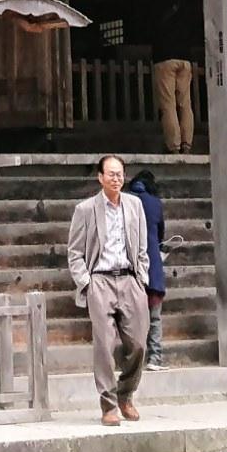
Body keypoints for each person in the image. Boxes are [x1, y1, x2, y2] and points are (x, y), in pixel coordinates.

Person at [66, 154, 151, 424]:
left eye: (120, 174)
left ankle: (126, 394)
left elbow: (142, 247)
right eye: (111, 174)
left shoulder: (135, 205)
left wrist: (142, 278)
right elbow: (75, 252)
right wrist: (86, 282)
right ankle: (108, 405)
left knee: (138, 341)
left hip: (129, 278)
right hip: (100, 280)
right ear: (100, 177)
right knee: (103, 344)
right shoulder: (86, 209)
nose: (116, 178)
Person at [125, 167, 170, 371]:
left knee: (131, 317)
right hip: (152, 265)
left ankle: (131, 359)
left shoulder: (124, 200)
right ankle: (155, 357)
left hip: (128, 266)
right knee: (154, 316)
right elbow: (160, 234)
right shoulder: (154, 203)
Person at [151, 49, 196, 154]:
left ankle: (174, 145)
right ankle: (186, 144)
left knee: (168, 104)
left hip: (165, 59)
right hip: (185, 60)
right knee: (185, 104)